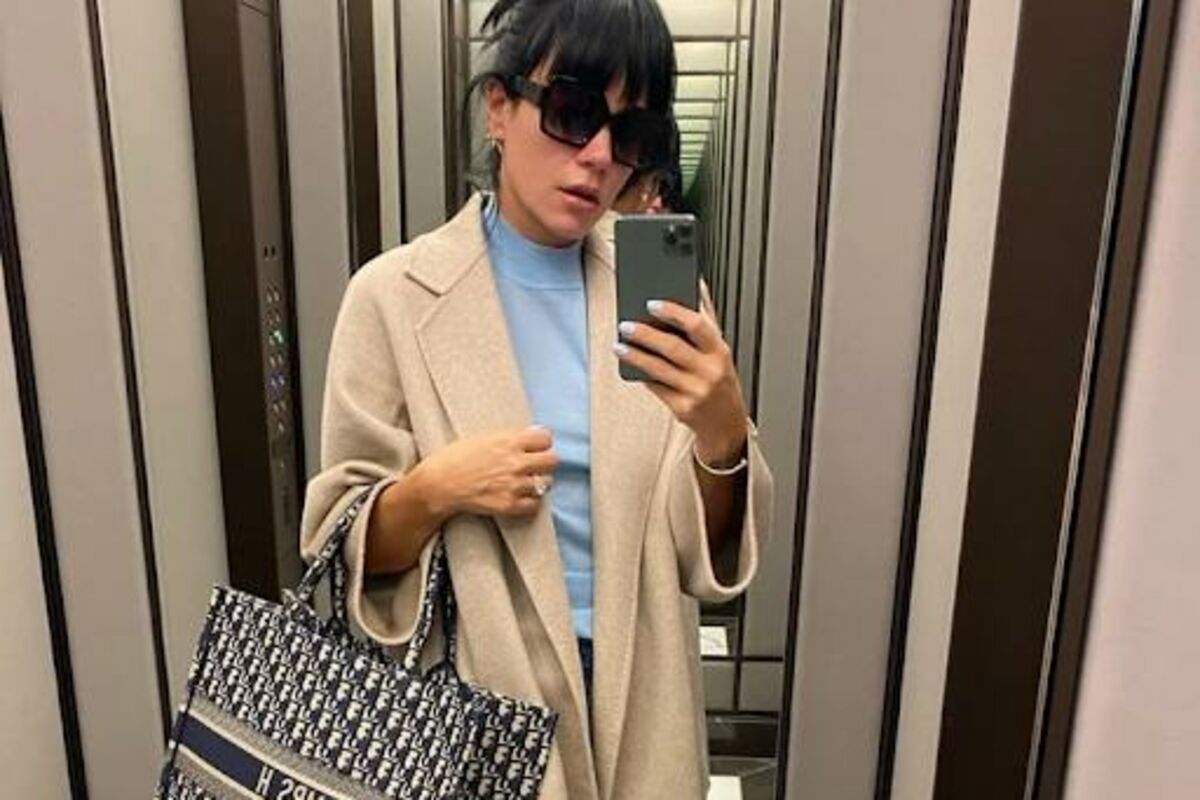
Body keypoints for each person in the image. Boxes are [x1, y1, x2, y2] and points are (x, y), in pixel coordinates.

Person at [299, 1, 774, 797]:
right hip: (473, 708)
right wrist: (438, 488)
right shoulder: (394, 297)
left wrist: (723, 436)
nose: (599, 157)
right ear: (499, 108)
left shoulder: (659, 293)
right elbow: (345, 550)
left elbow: (707, 560)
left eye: (631, 133)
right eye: (572, 113)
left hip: (644, 690)